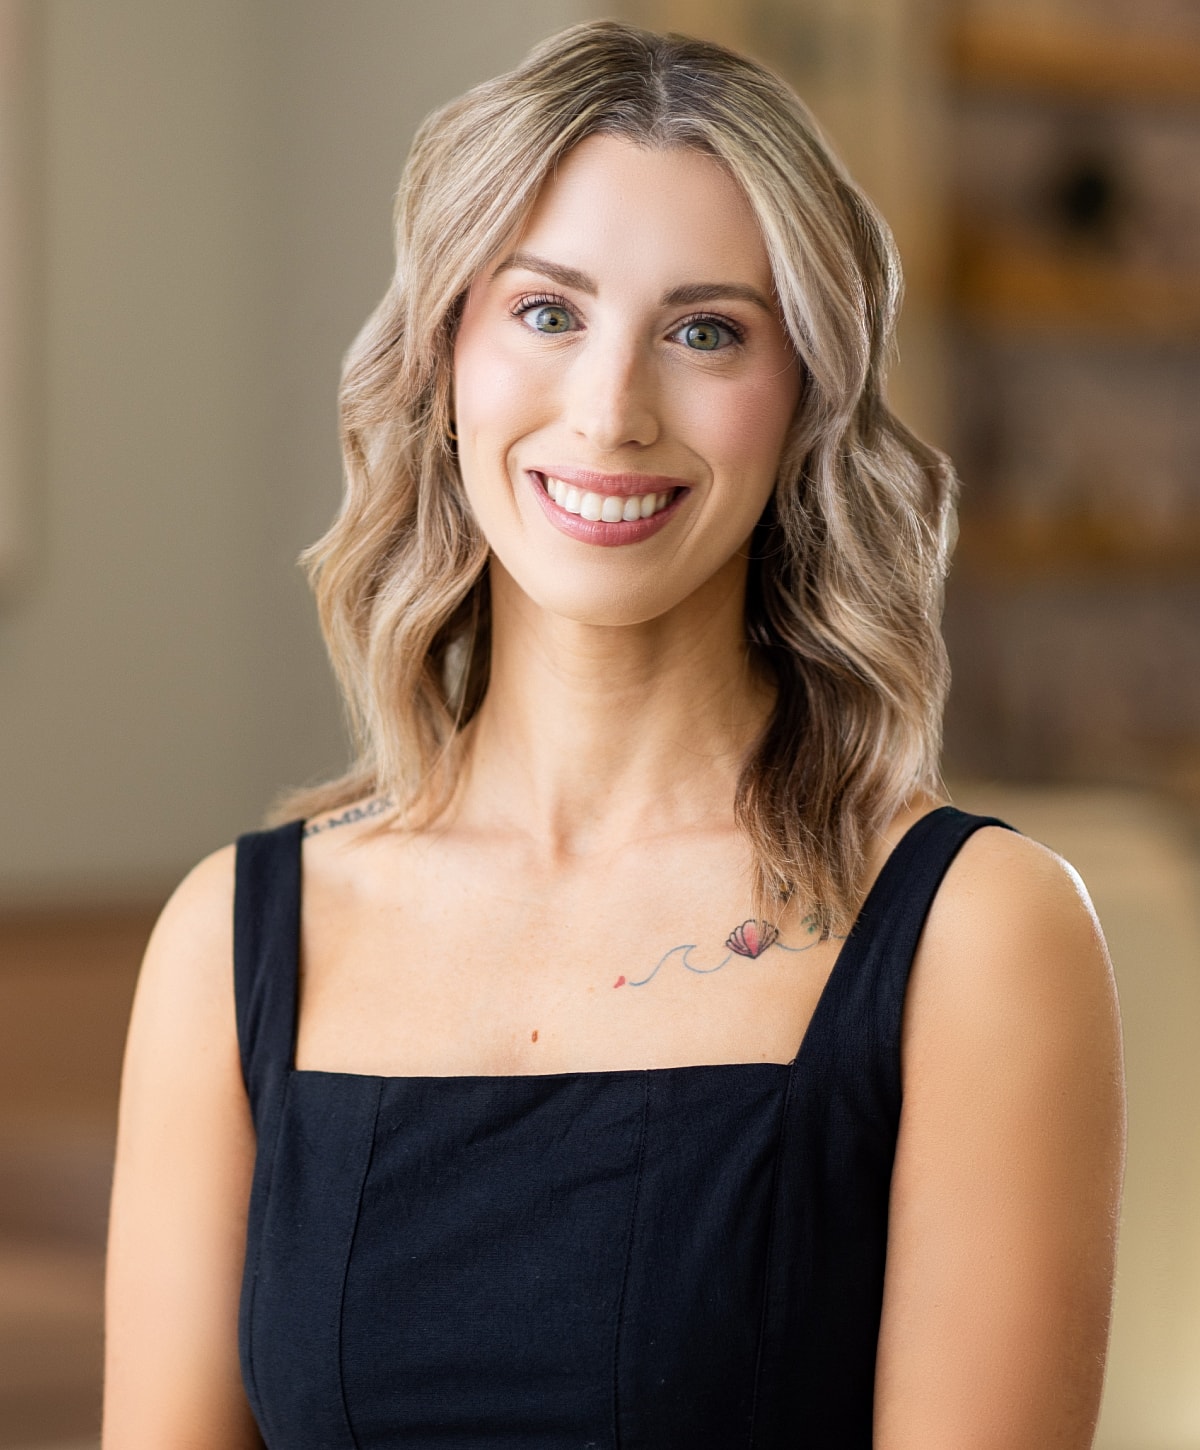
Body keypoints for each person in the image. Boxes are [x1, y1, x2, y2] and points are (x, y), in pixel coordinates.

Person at [103, 20, 1125, 1449]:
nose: (610, 410)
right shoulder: (231, 940)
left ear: (808, 400)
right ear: (446, 348)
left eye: (706, 330)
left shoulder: (976, 932)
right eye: (547, 311)